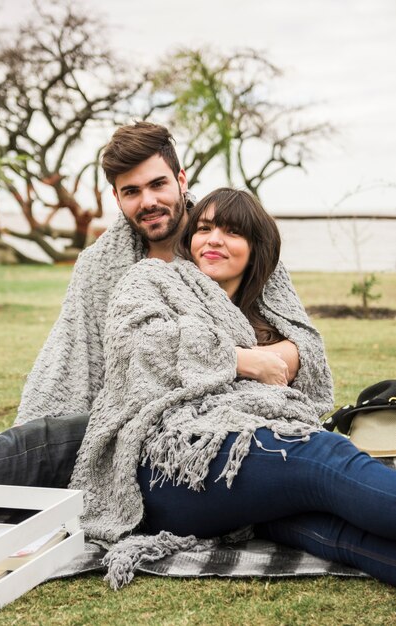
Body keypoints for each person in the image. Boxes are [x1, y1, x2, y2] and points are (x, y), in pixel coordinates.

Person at [67, 186, 396, 590]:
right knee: (324, 458)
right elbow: (138, 344)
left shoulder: (265, 310)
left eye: (232, 231)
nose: (214, 240)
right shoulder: (152, 278)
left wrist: (266, 359)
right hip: (169, 460)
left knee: (328, 525)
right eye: (204, 228)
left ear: (256, 249)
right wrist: (240, 360)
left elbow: (308, 361)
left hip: (236, 474)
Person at [0, 121, 302, 486]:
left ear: (181, 179)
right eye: (131, 191)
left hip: (205, 421)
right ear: (117, 199)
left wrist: (257, 363)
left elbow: (301, 347)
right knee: (31, 446)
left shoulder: (226, 242)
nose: (148, 201)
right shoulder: (100, 266)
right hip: (119, 413)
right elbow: (70, 352)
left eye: (158, 184)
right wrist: (238, 359)